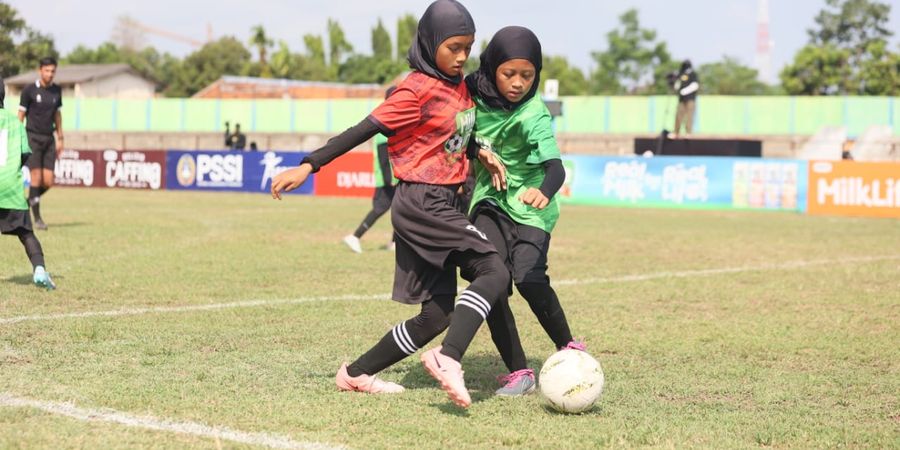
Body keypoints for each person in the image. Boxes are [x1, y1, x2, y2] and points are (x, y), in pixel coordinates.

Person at [271, 0, 508, 408]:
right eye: (453, 46)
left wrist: (478, 150)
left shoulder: (459, 86)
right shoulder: (414, 89)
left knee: (436, 316)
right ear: (431, 42)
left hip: (441, 201)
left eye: (467, 46)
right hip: (422, 201)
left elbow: (451, 135)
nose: (462, 55)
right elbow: (363, 129)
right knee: (493, 269)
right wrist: (309, 165)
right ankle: (448, 359)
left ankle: (356, 373)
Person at [464, 26, 584, 396]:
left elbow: (556, 168)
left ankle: (569, 349)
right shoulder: (470, 93)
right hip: (489, 199)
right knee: (492, 279)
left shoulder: (535, 112)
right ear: (491, 68)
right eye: (509, 73)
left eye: (527, 75)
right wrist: (476, 151)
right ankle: (519, 371)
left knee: (529, 279)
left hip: (532, 208)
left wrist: (545, 192)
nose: (518, 83)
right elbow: (452, 132)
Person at [1, 107, 56, 290]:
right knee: (26, 233)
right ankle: (39, 270)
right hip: (11, 188)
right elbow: (24, 154)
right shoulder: (15, 122)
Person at [342, 86, 398, 254]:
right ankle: (355, 237)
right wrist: (390, 180)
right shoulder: (384, 128)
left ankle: (394, 243)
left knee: (399, 209)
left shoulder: (391, 125)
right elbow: (383, 159)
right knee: (380, 209)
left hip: (391, 179)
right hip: (387, 180)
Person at [18, 57, 64, 230]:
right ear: (40, 71)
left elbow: (57, 116)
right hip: (32, 138)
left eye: (53, 71)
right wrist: (18, 136)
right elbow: (20, 115)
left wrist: (61, 138)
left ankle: (29, 201)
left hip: (49, 139)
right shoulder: (29, 90)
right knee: (36, 178)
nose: (50, 74)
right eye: (47, 70)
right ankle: (36, 219)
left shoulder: (56, 91)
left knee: (49, 181)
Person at [672, 59, 699, 138]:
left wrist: (684, 91)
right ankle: (676, 132)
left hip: (690, 99)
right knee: (678, 115)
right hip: (681, 99)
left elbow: (695, 85)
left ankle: (688, 133)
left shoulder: (693, 74)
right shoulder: (680, 74)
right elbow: (677, 85)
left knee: (689, 116)